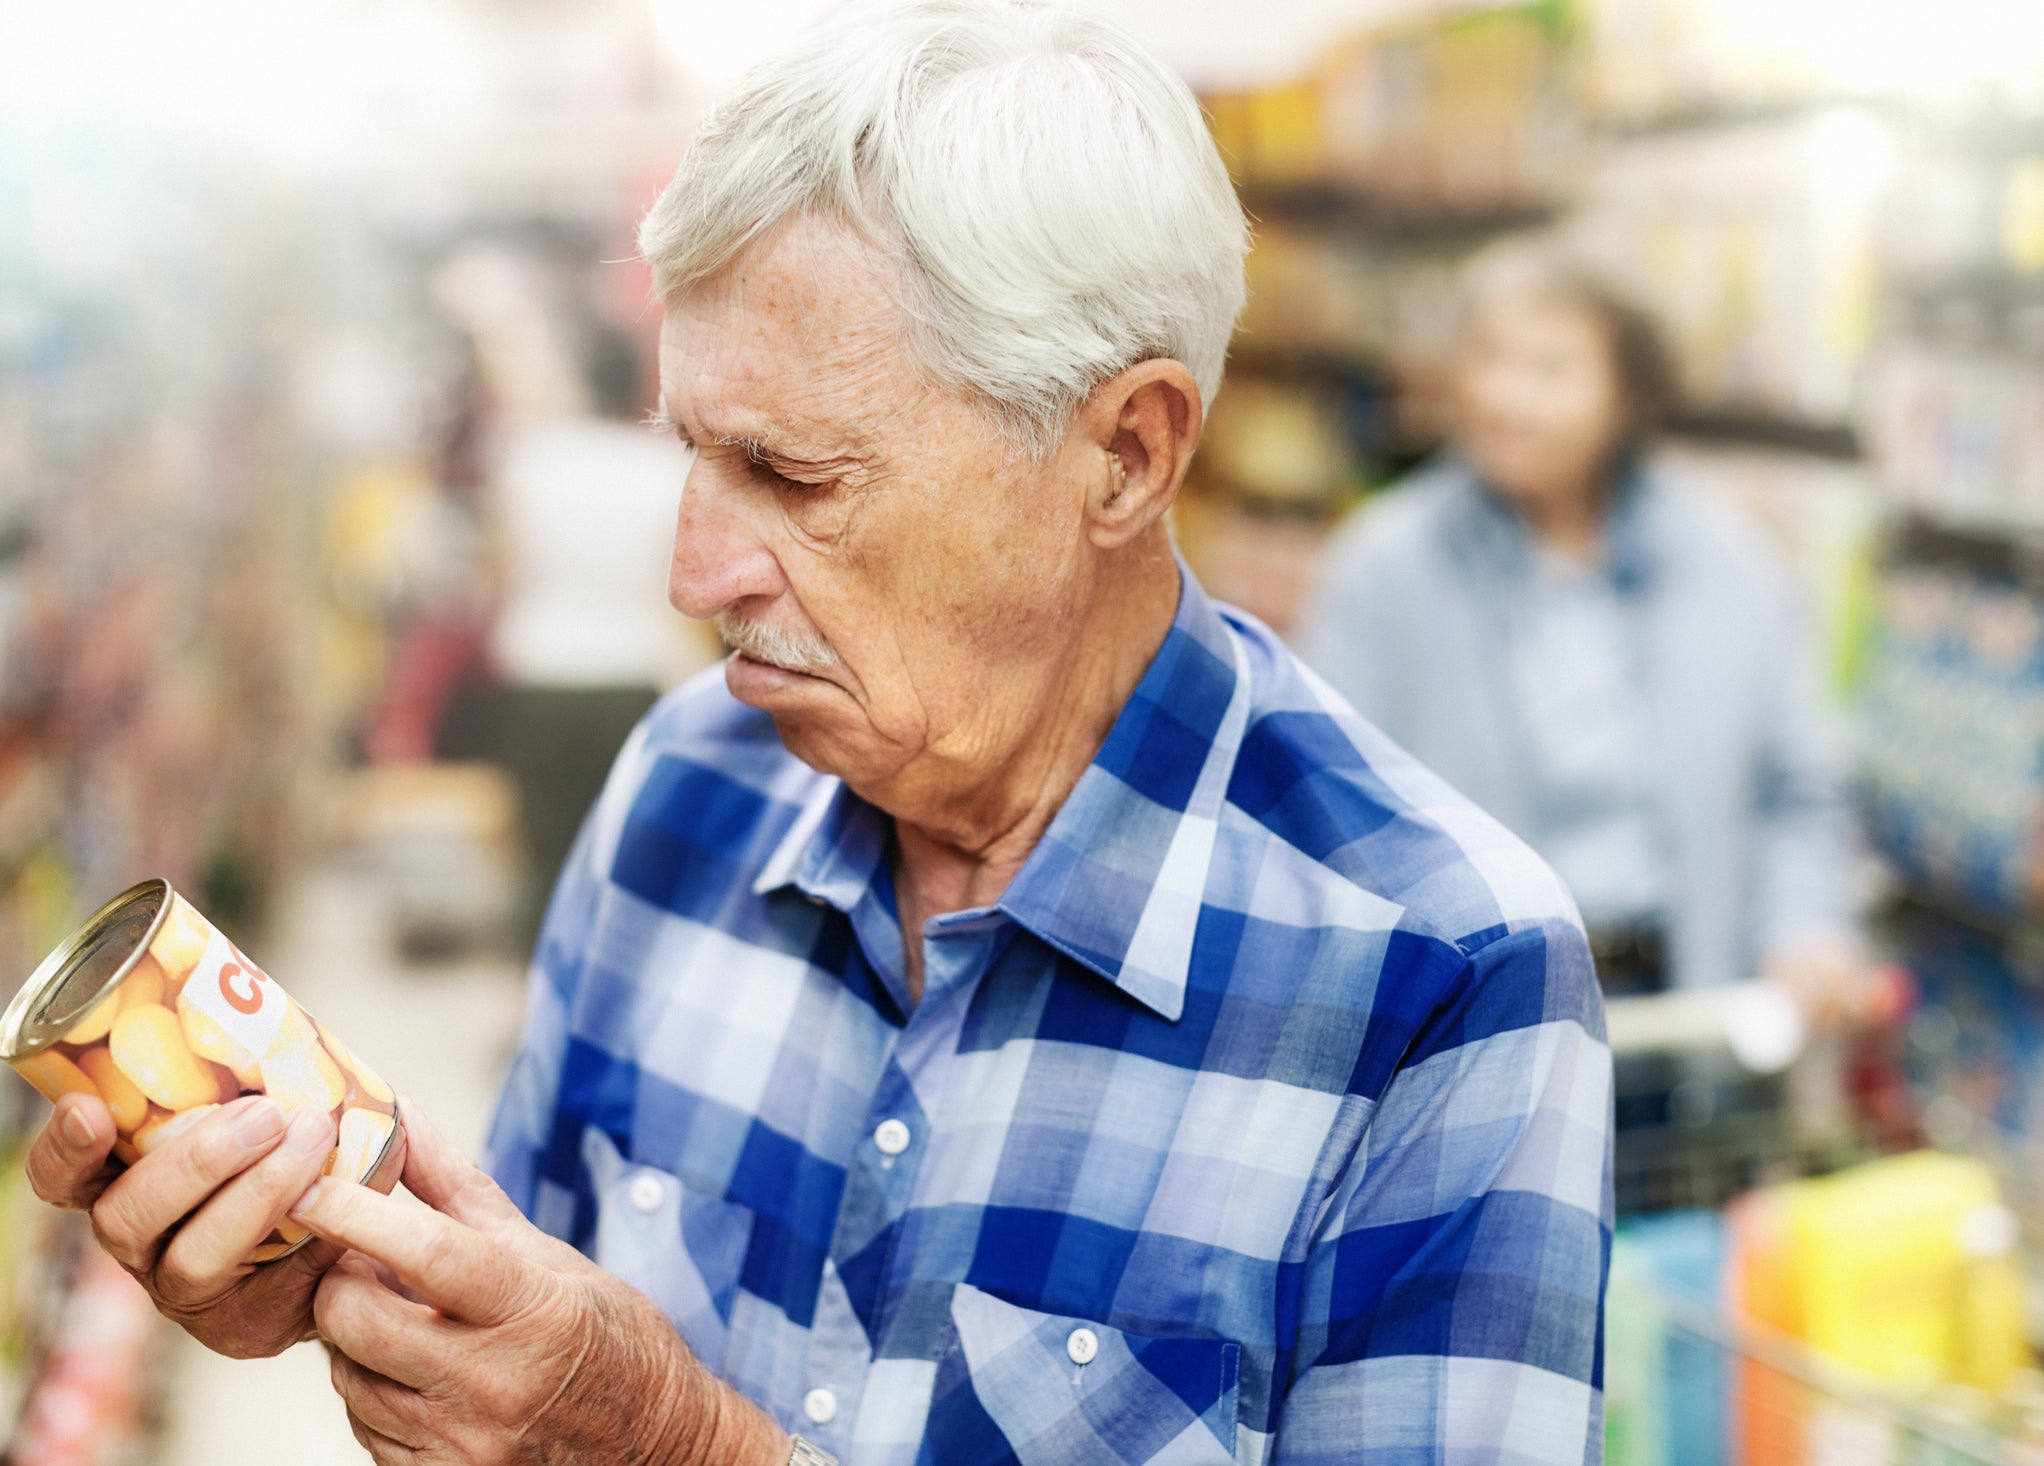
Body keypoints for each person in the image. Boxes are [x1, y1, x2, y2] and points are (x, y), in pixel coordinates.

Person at [23, 5, 1612, 1463]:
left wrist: (674, 1438)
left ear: (1123, 455)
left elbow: (627, 1425)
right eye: (692, 454)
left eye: (796, 480)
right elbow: (516, 1372)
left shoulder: (1445, 985)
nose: (694, 573)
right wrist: (325, 1291)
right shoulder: (680, 797)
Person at [1296, 241, 1868, 1022]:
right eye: (1489, 357)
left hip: (1693, 1020)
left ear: (1629, 393)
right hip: (1472, 1026)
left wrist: (1806, 931)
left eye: (1550, 368)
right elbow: (1323, 803)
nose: (1505, 395)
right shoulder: (1383, 566)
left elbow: (1800, 787)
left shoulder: (1731, 559)